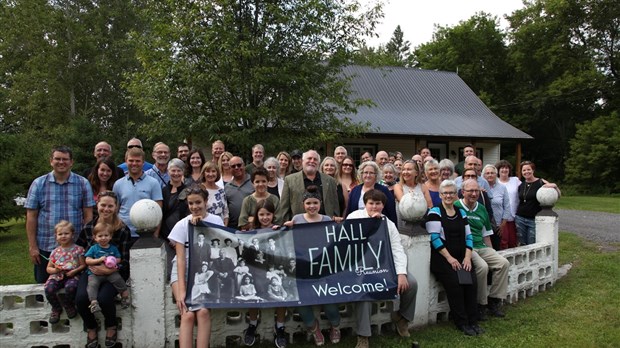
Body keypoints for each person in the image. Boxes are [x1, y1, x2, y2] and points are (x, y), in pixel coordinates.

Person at [347, 190, 418, 348]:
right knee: (363, 289)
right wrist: (371, 225)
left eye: (378, 203)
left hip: (385, 267)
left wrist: (401, 273)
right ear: (365, 204)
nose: (374, 206)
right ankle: (363, 334)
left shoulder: (389, 223)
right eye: (371, 203)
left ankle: (402, 319)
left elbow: (397, 249)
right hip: (361, 268)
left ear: (383, 205)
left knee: (411, 283)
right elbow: (347, 246)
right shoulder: (354, 217)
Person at [25, 145, 95, 283]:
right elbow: (31, 217)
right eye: (57, 159)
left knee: (74, 286)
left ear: (71, 162)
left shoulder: (82, 183)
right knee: (44, 286)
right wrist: (32, 246)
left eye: (65, 159)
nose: (61, 162)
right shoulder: (39, 184)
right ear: (51, 161)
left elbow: (88, 215)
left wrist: (87, 242)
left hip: (75, 247)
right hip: (46, 245)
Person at [283, 186, 340, 346]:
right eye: (308, 203)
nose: (312, 206)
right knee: (302, 302)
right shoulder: (297, 219)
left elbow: (334, 243)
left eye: (315, 202)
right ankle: (314, 329)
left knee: (330, 304)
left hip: (323, 269)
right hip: (304, 271)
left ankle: (335, 326)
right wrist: (283, 228)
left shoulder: (327, 220)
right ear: (303, 204)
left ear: (320, 203)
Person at [168, 186, 224, 348]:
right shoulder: (181, 225)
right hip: (182, 272)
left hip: (204, 272)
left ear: (206, 201)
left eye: (198, 202)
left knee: (204, 312)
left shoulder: (216, 221)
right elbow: (180, 260)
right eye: (191, 203)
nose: (195, 207)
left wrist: (201, 228)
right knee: (187, 315)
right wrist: (182, 290)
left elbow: (216, 250)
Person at [425, 180, 481, 336]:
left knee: (470, 283)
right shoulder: (435, 212)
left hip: (461, 257)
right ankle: (462, 322)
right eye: (445, 193)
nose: (448, 196)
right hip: (442, 259)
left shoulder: (461, 212)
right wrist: (450, 258)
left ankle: (473, 320)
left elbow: (469, 236)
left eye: (451, 193)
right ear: (440, 195)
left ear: (456, 195)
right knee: (456, 285)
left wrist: (468, 258)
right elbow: (435, 239)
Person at [76, 191, 131, 348]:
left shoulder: (122, 230)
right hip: (91, 271)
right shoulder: (89, 228)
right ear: (97, 205)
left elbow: (125, 260)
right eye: (103, 205)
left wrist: (109, 270)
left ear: (116, 207)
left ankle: (111, 326)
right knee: (81, 298)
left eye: (110, 206)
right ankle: (91, 327)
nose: (106, 209)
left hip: (114, 273)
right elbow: (81, 250)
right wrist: (88, 265)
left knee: (105, 299)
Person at [455, 179, 509, 320]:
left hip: (481, 246)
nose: (474, 194)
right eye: (470, 191)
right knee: (482, 267)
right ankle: (480, 305)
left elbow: (486, 235)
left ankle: (494, 300)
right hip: (467, 247)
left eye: (476, 191)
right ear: (462, 192)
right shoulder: (456, 206)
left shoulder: (482, 208)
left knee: (503, 263)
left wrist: (492, 252)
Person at [243, 198, 289, 348]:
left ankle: (280, 326)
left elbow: (283, 253)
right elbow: (247, 255)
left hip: (274, 269)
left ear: (273, 214)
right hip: (257, 270)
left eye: (268, 214)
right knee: (254, 288)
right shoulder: (251, 232)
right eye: (261, 214)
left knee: (281, 287)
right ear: (257, 215)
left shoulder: (278, 231)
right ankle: (252, 323)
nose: (265, 218)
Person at [276, 150, 340, 224]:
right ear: (303, 161)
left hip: (325, 227)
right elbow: (284, 208)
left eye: (315, 159)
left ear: (318, 163)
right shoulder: (289, 180)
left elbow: (335, 207)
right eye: (309, 158)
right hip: (299, 227)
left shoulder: (330, 181)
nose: (312, 161)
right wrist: (286, 227)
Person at [113, 146, 163, 239]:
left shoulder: (153, 183)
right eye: (131, 160)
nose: (134, 164)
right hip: (123, 233)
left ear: (143, 162)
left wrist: (156, 234)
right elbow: (115, 210)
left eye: (138, 161)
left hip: (146, 233)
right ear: (126, 161)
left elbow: (158, 211)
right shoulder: (118, 184)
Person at [44, 220, 86, 324]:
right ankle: (56, 308)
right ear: (56, 236)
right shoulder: (55, 252)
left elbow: (83, 265)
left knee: (71, 287)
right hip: (57, 275)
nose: (63, 236)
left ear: (72, 234)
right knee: (49, 288)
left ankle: (68, 304)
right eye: (60, 234)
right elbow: (48, 268)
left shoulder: (78, 250)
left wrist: (74, 271)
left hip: (72, 275)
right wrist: (56, 270)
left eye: (66, 233)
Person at [84, 222, 130, 314]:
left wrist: (113, 261)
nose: (103, 238)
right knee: (92, 285)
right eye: (100, 236)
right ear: (95, 237)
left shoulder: (113, 248)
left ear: (110, 236)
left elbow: (119, 258)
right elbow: (87, 260)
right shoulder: (94, 248)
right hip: (95, 273)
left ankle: (124, 296)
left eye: (106, 235)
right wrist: (98, 260)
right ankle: (93, 302)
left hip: (110, 272)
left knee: (118, 279)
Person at [515, 161, 561, 245]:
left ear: (533, 170)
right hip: (520, 218)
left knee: (532, 243)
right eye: (524, 170)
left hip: (533, 219)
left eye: (528, 169)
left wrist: (555, 186)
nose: (526, 172)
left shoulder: (541, 182)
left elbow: (558, 195)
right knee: (521, 244)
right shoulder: (521, 185)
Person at [393, 160, 432, 236]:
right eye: (403, 169)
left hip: (421, 228)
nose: (405, 172)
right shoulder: (398, 186)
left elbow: (430, 206)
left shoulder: (423, 186)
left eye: (409, 169)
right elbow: (405, 204)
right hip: (403, 230)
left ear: (416, 173)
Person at [483, 164, 512, 251]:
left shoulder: (502, 188)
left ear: (496, 174)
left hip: (497, 225)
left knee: (497, 248)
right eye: (487, 173)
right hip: (483, 224)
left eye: (492, 173)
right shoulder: (480, 187)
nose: (490, 175)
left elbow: (507, 206)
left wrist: (503, 224)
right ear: (484, 175)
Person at [161, 158, 188, 243]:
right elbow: (161, 215)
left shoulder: (188, 191)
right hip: (165, 235)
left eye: (179, 170)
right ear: (168, 171)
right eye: (173, 170)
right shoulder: (163, 191)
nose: (176, 173)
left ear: (183, 172)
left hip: (184, 234)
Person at [495, 160, 521, 249]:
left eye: (506, 168)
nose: (504, 170)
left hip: (514, 215)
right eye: (502, 168)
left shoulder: (515, 180)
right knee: (503, 240)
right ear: (498, 170)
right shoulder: (495, 182)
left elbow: (527, 186)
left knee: (513, 240)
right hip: (501, 217)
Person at [225, 157, 255, 228]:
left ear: (244, 165)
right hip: (232, 228)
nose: (236, 168)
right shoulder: (227, 187)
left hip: (250, 227)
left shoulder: (253, 182)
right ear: (229, 169)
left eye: (239, 165)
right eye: (233, 166)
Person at [200, 161, 230, 226]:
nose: (211, 174)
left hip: (220, 227)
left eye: (213, 171)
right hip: (204, 227)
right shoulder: (199, 190)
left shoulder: (221, 191)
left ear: (217, 173)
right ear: (203, 173)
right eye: (208, 171)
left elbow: (225, 212)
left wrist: (224, 227)